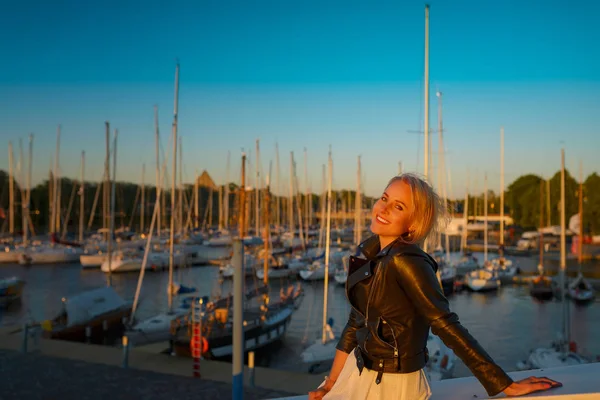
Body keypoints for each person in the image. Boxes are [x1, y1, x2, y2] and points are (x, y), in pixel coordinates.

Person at [309, 174, 561, 400]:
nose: (383, 208)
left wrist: (503, 384)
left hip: (391, 384)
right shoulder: (371, 253)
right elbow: (356, 323)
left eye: (398, 206)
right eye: (384, 198)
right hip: (360, 372)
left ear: (413, 225)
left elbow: (445, 324)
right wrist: (332, 383)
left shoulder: (408, 262)